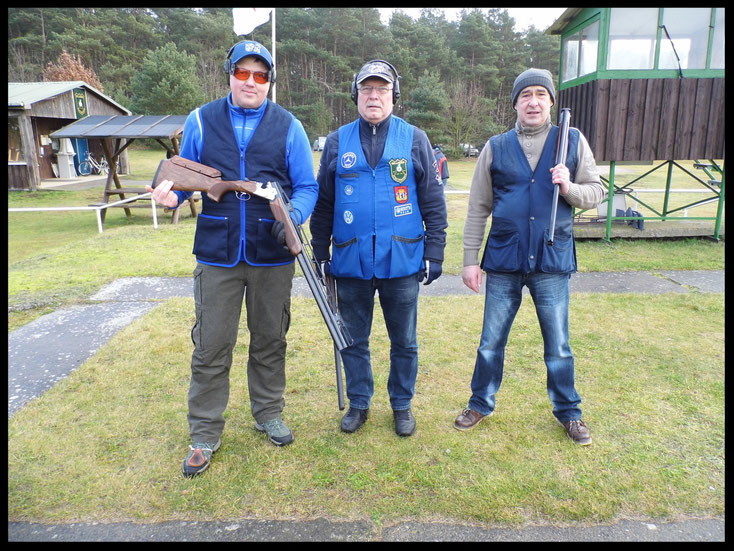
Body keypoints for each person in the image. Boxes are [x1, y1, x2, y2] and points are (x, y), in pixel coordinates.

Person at [146, 40, 318, 476]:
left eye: (261, 76)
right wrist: (171, 195)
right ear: (229, 75)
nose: (251, 82)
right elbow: (184, 178)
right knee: (211, 345)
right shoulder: (201, 119)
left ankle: (268, 413)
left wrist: (288, 216)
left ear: (269, 82)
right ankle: (204, 432)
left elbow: (307, 187)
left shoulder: (289, 125)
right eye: (243, 73)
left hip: (271, 253)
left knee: (270, 340)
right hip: (217, 254)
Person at [452, 68, 605, 445]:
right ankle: (480, 403)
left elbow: (596, 193)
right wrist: (470, 259)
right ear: (516, 103)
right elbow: (477, 208)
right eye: (525, 95)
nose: (533, 101)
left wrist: (568, 186)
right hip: (504, 258)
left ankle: (569, 413)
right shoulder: (496, 146)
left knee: (558, 345)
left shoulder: (571, 140)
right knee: (490, 342)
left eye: (540, 94)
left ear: (551, 101)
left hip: (552, 259)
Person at [309, 60, 448, 437]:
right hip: (350, 259)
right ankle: (359, 403)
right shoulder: (337, 141)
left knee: (404, 341)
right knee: (353, 339)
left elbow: (433, 201)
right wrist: (320, 251)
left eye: (382, 89)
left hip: (401, 259)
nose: (374, 96)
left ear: (393, 95)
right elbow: (324, 202)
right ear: (356, 95)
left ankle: (401, 406)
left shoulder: (415, 139)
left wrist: (435, 252)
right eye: (367, 89)